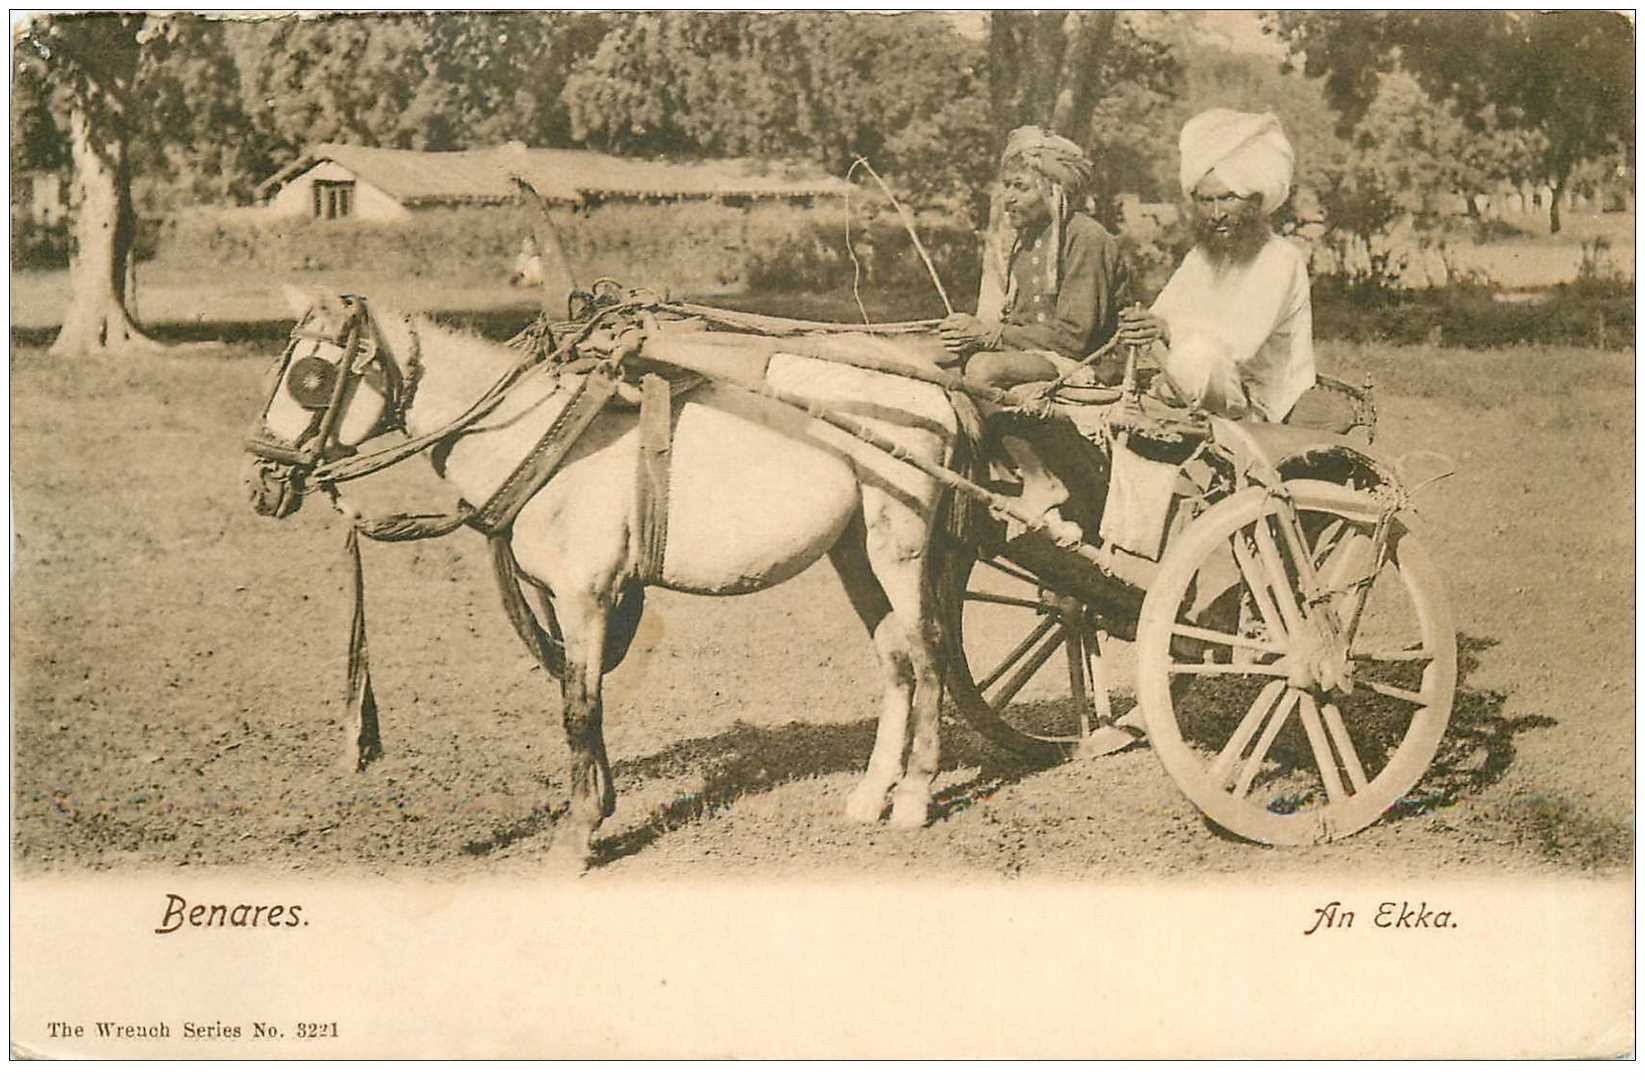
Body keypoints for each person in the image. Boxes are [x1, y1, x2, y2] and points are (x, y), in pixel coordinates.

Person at [937, 126, 1128, 536]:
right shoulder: (1026, 241)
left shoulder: (1088, 239)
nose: (1008, 198)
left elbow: (1074, 337)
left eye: (1020, 187)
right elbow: (1016, 320)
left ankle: (1040, 478)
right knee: (928, 362)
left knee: (984, 371)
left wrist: (988, 336)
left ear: (1055, 189)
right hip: (1036, 355)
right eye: (1006, 186)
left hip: (1083, 364)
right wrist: (970, 331)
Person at [1117, 109, 1315, 423]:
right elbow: (1163, 313)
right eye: (1206, 201)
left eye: (1228, 199)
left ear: (1255, 199)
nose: (1217, 213)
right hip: (1210, 385)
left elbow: (1239, 343)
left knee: (1199, 355)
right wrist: (1143, 324)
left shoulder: (1280, 258)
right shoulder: (1203, 256)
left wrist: (1167, 330)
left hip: (1262, 400)